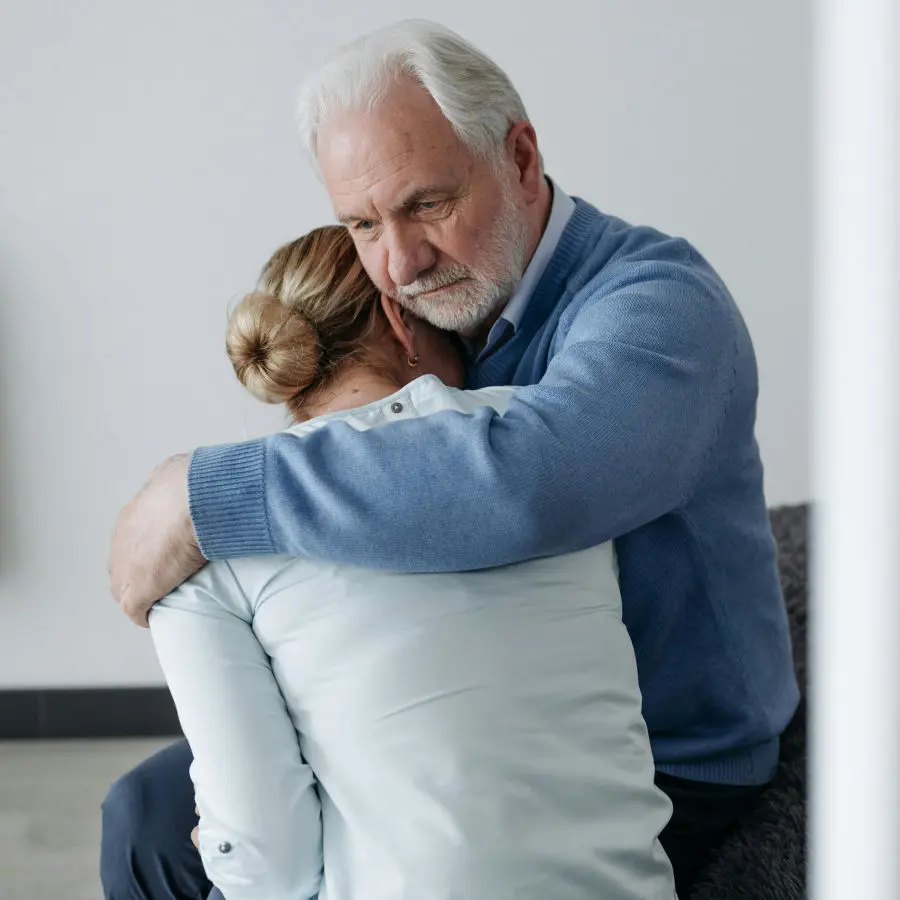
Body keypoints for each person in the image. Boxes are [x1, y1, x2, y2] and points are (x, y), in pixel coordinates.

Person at [105, 18, 799, 899]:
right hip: (474, 715)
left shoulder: (659, 305)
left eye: (428, 204)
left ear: (518, 156)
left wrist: (206, 495)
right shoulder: (437, 308)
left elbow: (531, 483)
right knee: (147, 817)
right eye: (362, 223)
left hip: (669, 756)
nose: (398, 262)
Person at [148, 224, 676, 900]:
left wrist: (222, 844)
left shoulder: (204, 550)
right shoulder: (554, 447)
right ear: (402, 321)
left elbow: (268, 869)